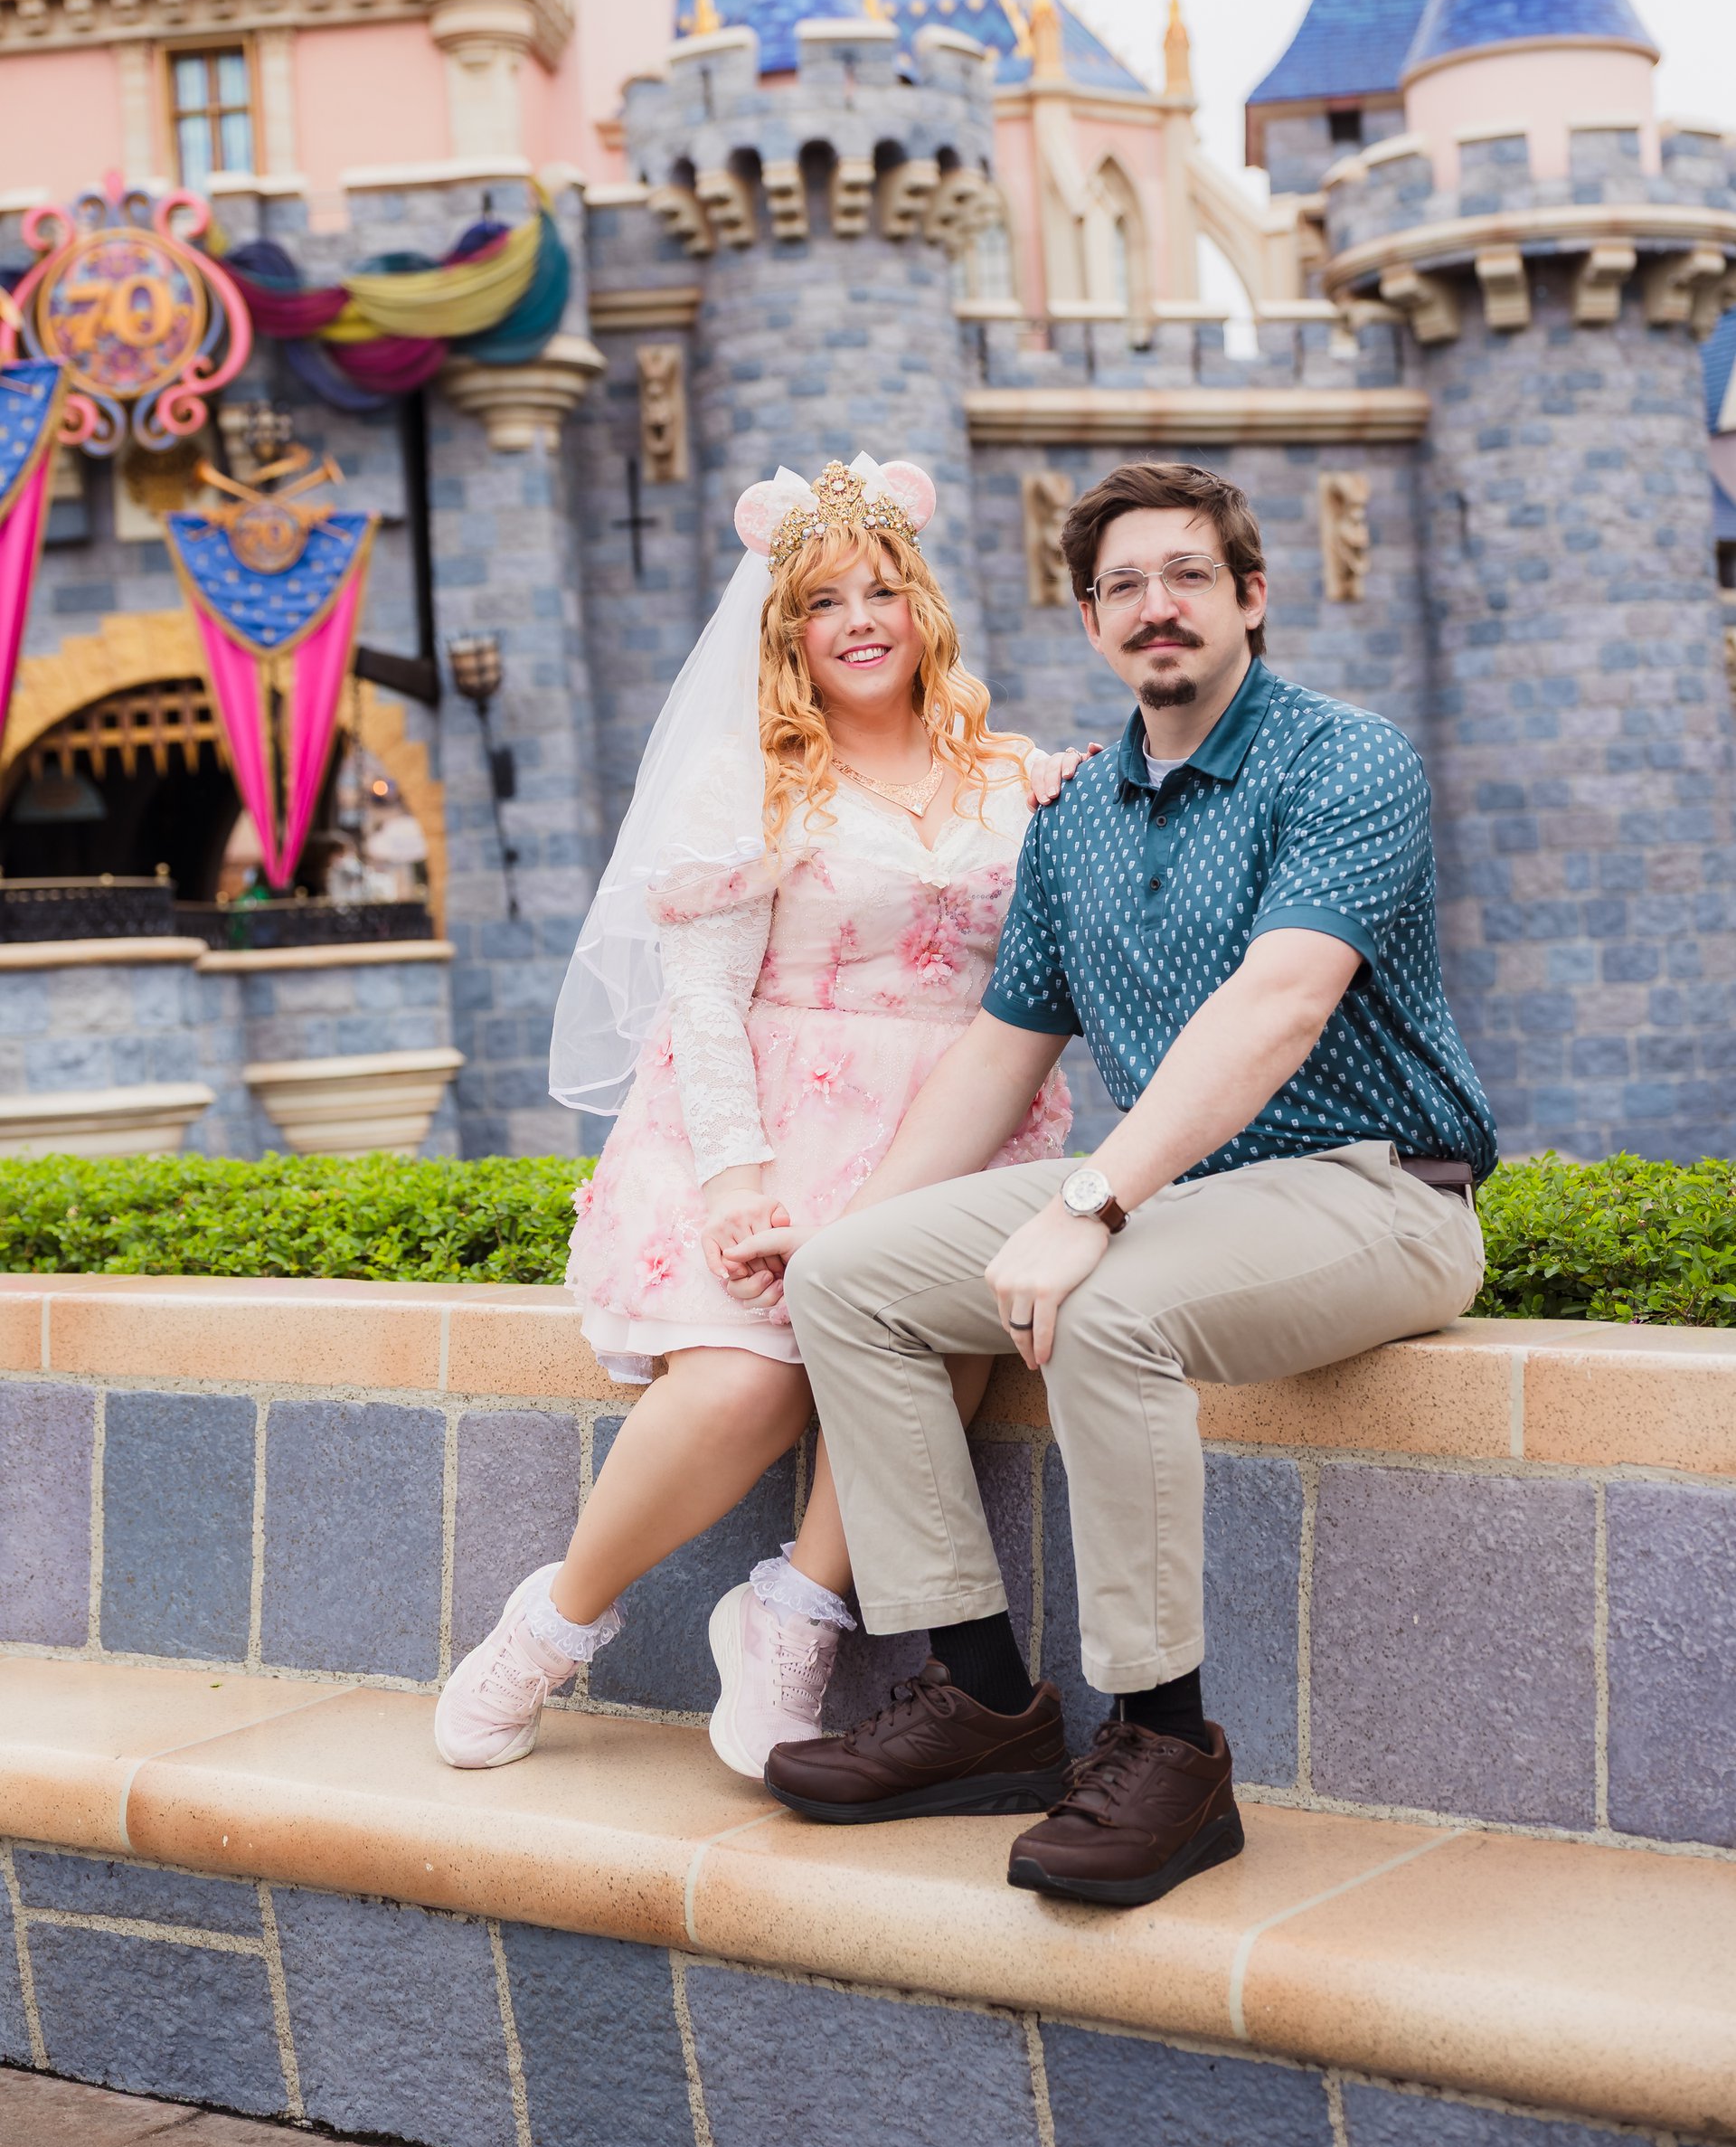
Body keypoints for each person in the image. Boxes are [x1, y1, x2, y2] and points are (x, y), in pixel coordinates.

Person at [735, 459, 1497, 1909]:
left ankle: (1167, 1747)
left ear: (1250, 597)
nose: (1159, 607)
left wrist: (1086, 1207)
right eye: (1124, 586)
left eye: (1189, 576)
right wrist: (852, 1224)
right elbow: (998, 1053)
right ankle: (982, 1706)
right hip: (1177, 1194)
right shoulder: (1079, 815)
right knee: (851, 1280)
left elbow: (1280, 1004)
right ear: (1090, 622)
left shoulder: (1344, 761)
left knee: (1106, 1308)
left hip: (1376, 1189)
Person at [434, 453, 1075, 1777]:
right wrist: (738, 1181)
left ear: (922, 606)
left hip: (953, 1125)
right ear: (786, 630)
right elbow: (705, 1000)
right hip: (772, 1123)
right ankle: (549, 1627)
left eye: (881, 591)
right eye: (824, 601)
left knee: (934, 1344)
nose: (859, 621)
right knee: (748, 1384)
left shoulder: (1014, 775)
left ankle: (794, 1615)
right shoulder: (753, 782)